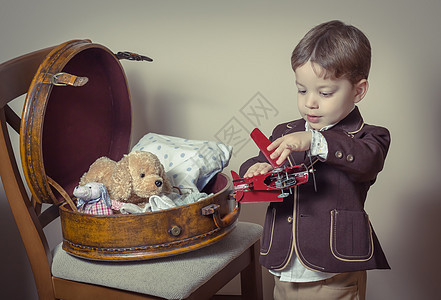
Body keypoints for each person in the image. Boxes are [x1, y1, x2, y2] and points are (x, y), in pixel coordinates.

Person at [239, 20, 390, 300]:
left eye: (324, 93)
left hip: (335, 270)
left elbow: (368, 162)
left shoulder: (370, 138)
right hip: (283, 265)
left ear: (358, 91)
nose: (310, 102)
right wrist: (257, 169)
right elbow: (258, 162)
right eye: (301, 90)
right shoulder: (284, 132)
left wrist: (316, 140)